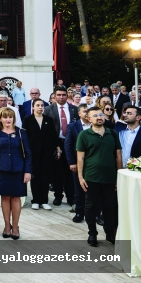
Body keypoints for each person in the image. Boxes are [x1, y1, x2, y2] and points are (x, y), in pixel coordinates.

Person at [77, 106, 122, 246]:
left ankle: (110, 233)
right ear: (89, 119)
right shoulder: (84, 135)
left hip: (109, 177)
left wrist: (119, 176)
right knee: (91, 206)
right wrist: (80, 177)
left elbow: (118, 156)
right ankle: (92, 234)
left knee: (109, 206)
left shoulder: (112, 134)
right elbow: (80, 158)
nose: (99, 117)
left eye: (101, 114)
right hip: (91, 177)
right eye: (95, 115)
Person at [0, 107, 32, 239]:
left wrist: (28, 171)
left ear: (14, 118)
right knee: (5, 197)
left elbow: (28, 154)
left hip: (18, 170)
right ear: (0, 119)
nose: (8, 119)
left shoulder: (21, 132)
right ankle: (7, 226)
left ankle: (15, 227)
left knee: (15, 197)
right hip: (1, 170)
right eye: (5, 117)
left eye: (10, 117)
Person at [43, 86, 78, 207]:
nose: (62, 97)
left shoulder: (74, 109)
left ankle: (71, 197)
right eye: (59, 95)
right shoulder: (48, 110)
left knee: (70, 171)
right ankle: (58, 196)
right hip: (55, 144)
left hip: (70, 143)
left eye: (64, 95)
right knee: (57, 172)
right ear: (55, 96)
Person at [21, 99, 57, 210]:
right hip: (33, 153)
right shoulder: (27, 120)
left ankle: (44, 200)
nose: (40, 107)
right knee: (35, 177)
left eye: (42, 105)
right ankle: (35, 200)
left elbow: (53, 136)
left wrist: (57, 149)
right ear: (33, 107)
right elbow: (24, 137)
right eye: (38, 105)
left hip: (47, 153)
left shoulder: (48, 120)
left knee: (45, 176)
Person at [65, 103, 92, 222]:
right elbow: (68, 145)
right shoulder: (73, 126)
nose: (87, 113)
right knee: (78, 189)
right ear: (79, 113)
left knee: (93, 190)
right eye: (84, 111)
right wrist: (72, 162)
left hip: (93, 164)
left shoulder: (96, 125)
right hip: (78, 163)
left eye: (88, 111)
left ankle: (94, 214)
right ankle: (79, 212)